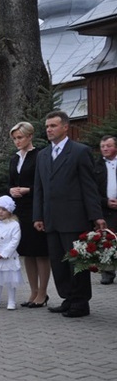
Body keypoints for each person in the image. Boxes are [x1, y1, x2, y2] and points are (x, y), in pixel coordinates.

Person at [33, 110, 105, 318]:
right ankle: (68, 298)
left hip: (74, 218)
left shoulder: (79, 151)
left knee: (77, 262)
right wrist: (38, 216)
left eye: (53, 126)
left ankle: (81, 303)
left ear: (65, 127)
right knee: (58, 262)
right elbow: (39, 188)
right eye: (47, 126)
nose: (49, 130)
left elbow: (89, 187)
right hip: (51, 218)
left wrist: (96, 216)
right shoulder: (43, 155)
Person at [8, 121, 50, 307]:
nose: (17, 141)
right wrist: (11, 191)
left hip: (36, 208)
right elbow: (10, 182)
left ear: (30, 136)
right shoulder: (14, 159)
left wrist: (27, 190)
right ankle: (33, 292)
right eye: (15, 138)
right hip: (20, 210)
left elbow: (46, 184)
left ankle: (43, 293)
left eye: (20, 137)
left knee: (40, 252)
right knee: (27, 253)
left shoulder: (40, 155)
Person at [94, 135, 117, 284]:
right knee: (106, 241)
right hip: (105, 208)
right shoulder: (96, 166)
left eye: (108, 146)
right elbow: (92, 190)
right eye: (102, 146)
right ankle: (107, 272)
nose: (105, 149)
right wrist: (105, 202)